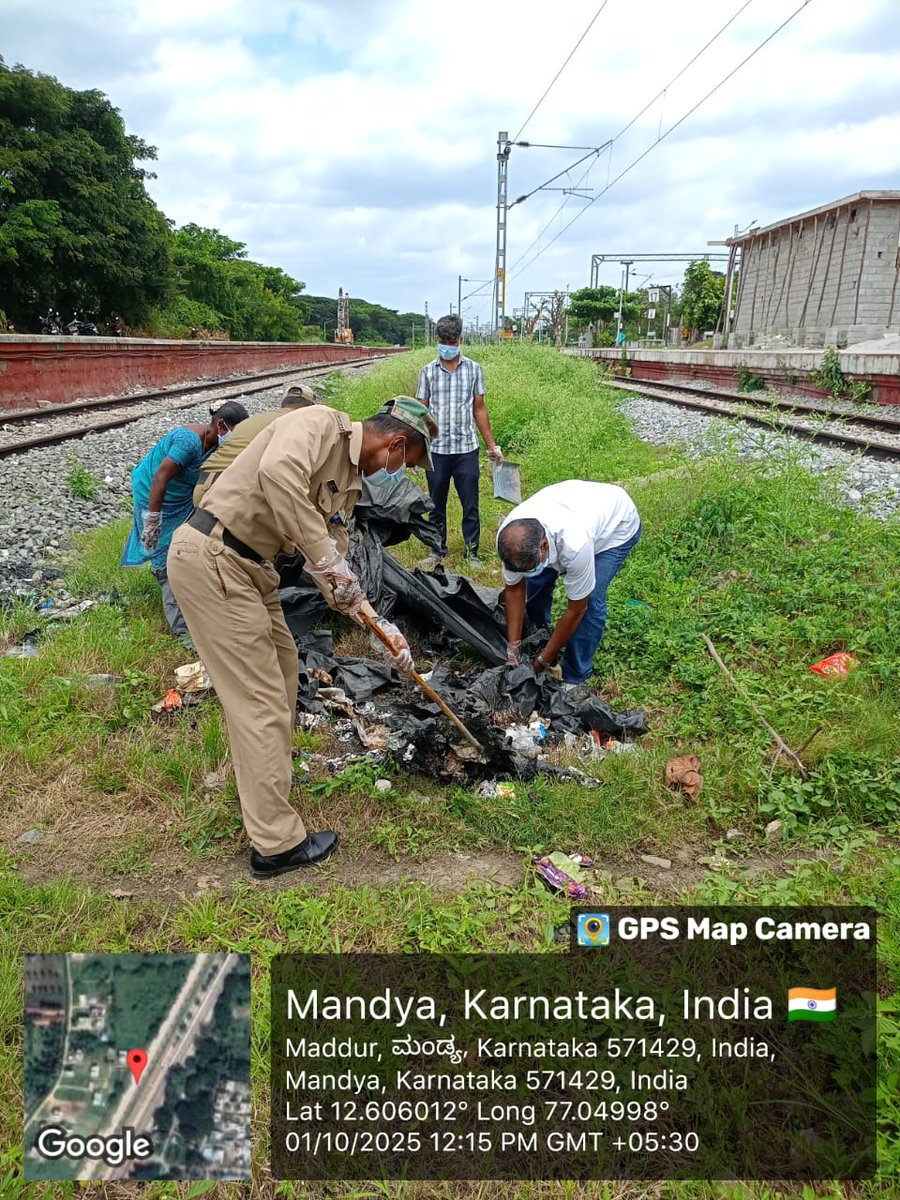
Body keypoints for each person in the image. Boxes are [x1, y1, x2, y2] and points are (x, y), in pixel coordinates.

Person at [166, 396, 437, 880]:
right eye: (407, 464)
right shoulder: (319, 425)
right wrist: (326, 559)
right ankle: (275, 845)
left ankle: (266, 793)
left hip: (251, 570)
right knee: (260, 700)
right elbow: (276, 474)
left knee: (284, 676)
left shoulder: (349, 487)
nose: (402, 474)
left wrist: (380, 626)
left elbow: (334, 568)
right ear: (395, 444)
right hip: (215, 557)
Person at [121, 401, 249, 642]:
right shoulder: (188, 441)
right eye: (235, 432)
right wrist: (153, 519)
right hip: (154, 493)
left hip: (182, 496)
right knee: (163, 550)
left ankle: (192, 592)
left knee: (188, 540)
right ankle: (181, 629)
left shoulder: (215, 446)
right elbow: (160, 477)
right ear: (220, 425)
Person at [497, 481, 641, 685]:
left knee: (591, 600)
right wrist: (513, 648)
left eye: (530, 565)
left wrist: (541, 663)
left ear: (544, 546)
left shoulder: (575, 545)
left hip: (615, 527)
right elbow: (514, 590)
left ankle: (575, 675)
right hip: (573, 505)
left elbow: (576, 610)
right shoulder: (509, 540)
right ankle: (539, 639)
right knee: (536, 583)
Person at [416, 313, 502, 570]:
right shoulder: (428, 372)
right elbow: (421, 411)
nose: (448, 345)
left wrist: (492, 446)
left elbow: (480, 409)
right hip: (438, 450)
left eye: (452, 340)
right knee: (436, 503)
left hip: (466, 449)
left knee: (470, 503)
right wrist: (417, 448)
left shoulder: (474, 370)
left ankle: (471, 551)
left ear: (460, 340)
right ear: (437, 340)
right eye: (444, 340)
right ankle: (437, 549)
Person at [193, 385, 317, 506]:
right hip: (227, 491)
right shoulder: (301, 422)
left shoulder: (258, 419)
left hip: (204, 486)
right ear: (311, 408)